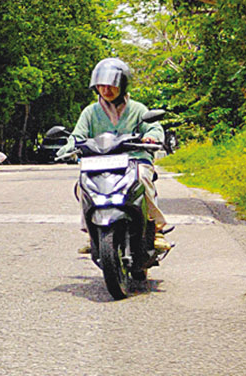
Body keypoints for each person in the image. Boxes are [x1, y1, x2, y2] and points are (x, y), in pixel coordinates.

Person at [64, 58, 170, 253]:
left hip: (135, 160)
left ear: (122, 85)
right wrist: (67, 147)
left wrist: (151, 137)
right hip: (99, 162)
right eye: (102, 86)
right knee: (82, 186)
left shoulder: (138, 109)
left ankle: (156, 229)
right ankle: (91, 232)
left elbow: (154, 128)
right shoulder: (90, 112)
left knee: (143, 180)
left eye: (111, 85)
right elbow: (77, 135)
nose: (106, 90)